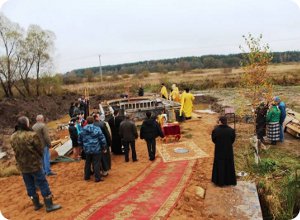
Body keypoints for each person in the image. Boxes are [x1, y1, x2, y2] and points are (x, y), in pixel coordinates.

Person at [11, 116, 61, 212]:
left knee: (29, 185)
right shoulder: (32, 135)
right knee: (42, 182)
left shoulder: (13, 136)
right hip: (34, 165)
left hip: (22, 166)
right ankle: (49, 205)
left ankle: (36, 204)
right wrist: (38, 158)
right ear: (26, 124)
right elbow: (40, 149)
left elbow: (15, 150)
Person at [78, 116, 107, 182]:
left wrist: (82, 147)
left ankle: (86, 177)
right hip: (96, 148)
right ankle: (97, 178)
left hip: (87, 149)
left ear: (87, 122)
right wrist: (104, 147)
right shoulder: (97, 129)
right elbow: (102, 139)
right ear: (93, 121)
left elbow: (79, 140)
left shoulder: (83, 130)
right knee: (96, 163)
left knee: (87, 163)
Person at [211, 116, 237, 187]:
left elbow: (214, 140)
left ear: (220, 121)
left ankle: (219, 182)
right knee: (228, 164)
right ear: (226, 122)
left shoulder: (215, 130)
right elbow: (232, 140)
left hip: (219, 150)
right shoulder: (231, 130)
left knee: (219, 165)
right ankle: (229, 181)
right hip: (228, 150)